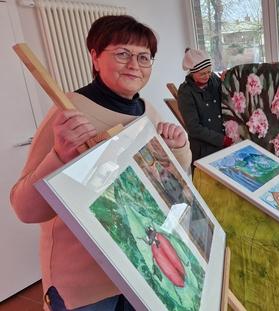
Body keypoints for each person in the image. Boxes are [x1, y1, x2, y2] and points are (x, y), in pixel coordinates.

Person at [10, 15, 192, 310]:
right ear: (94, 57)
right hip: (85, 280)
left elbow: (171, 182)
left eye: (144, 57)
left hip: (142, 267)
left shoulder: (147, 110)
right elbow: (24, 209)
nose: (134, 64)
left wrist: (179, 147)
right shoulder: (68, 113)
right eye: (122, 53)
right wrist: (59, 156)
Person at [177, 48, 232, 168]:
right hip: (204, 149)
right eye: (202, 73)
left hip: (224, 142)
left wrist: (226, 80)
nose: (207, 76)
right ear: (192, 72)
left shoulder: (214, 80)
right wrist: (222, 140)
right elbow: (194, 128)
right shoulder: (185, 92)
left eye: (209, 72)